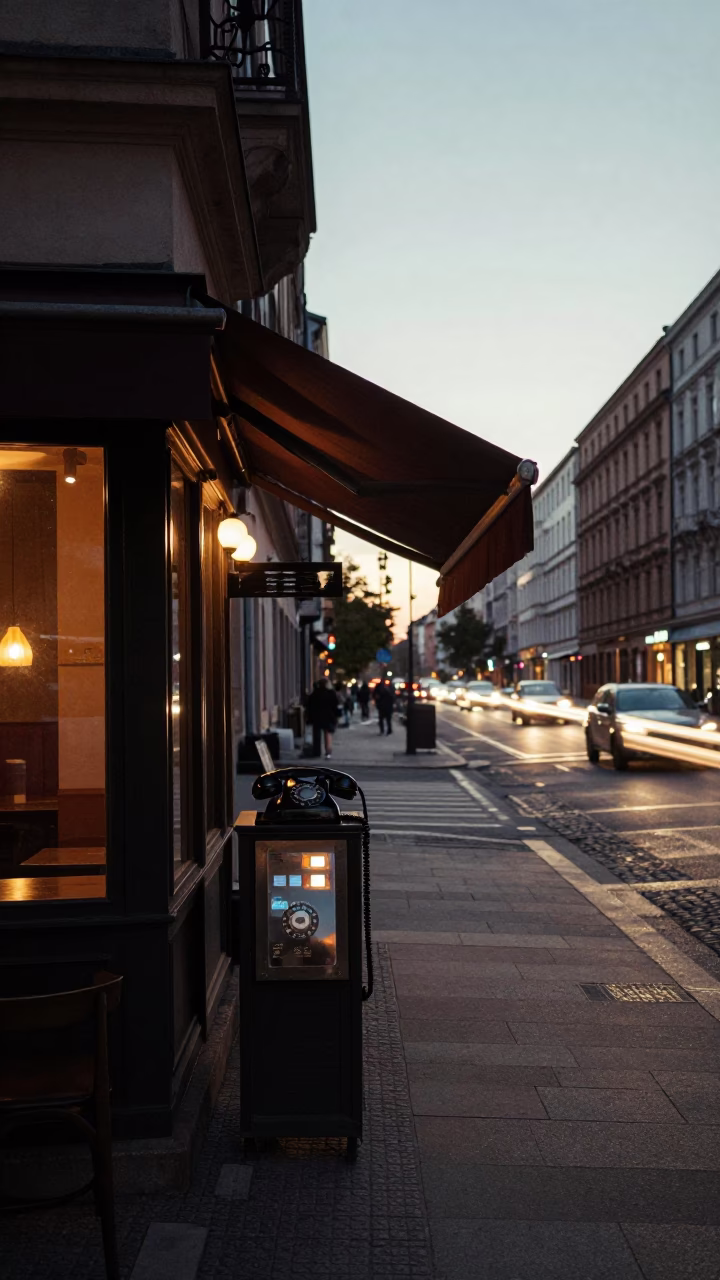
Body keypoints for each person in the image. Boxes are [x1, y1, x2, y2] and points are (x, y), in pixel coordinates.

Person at [306, 678, 340, 758]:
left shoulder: (315, 693)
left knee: (317, 734)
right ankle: (328, 751)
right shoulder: (331, 693)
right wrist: (336, 716)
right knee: (327, 733)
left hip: (317, 717)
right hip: (328, 716)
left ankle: (317, 751)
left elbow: (310, 706)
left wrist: (309, 717)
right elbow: (335, 705)